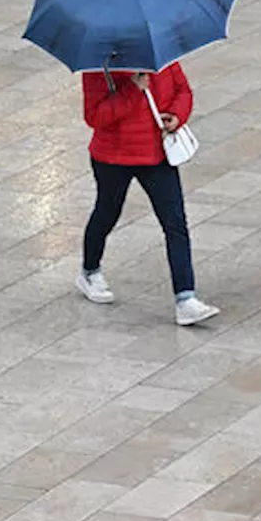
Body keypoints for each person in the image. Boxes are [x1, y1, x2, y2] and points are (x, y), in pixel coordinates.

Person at [77, 63, 219, 326]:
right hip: (113, 157)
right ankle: (90, 270)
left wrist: (177, 116)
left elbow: (182, 90)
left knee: (175, 222)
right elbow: (95, 116)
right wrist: (132, 90)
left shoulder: (161, 61)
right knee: (107, 212)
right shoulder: (100, 68)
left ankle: (185, 297)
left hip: (156, 156)